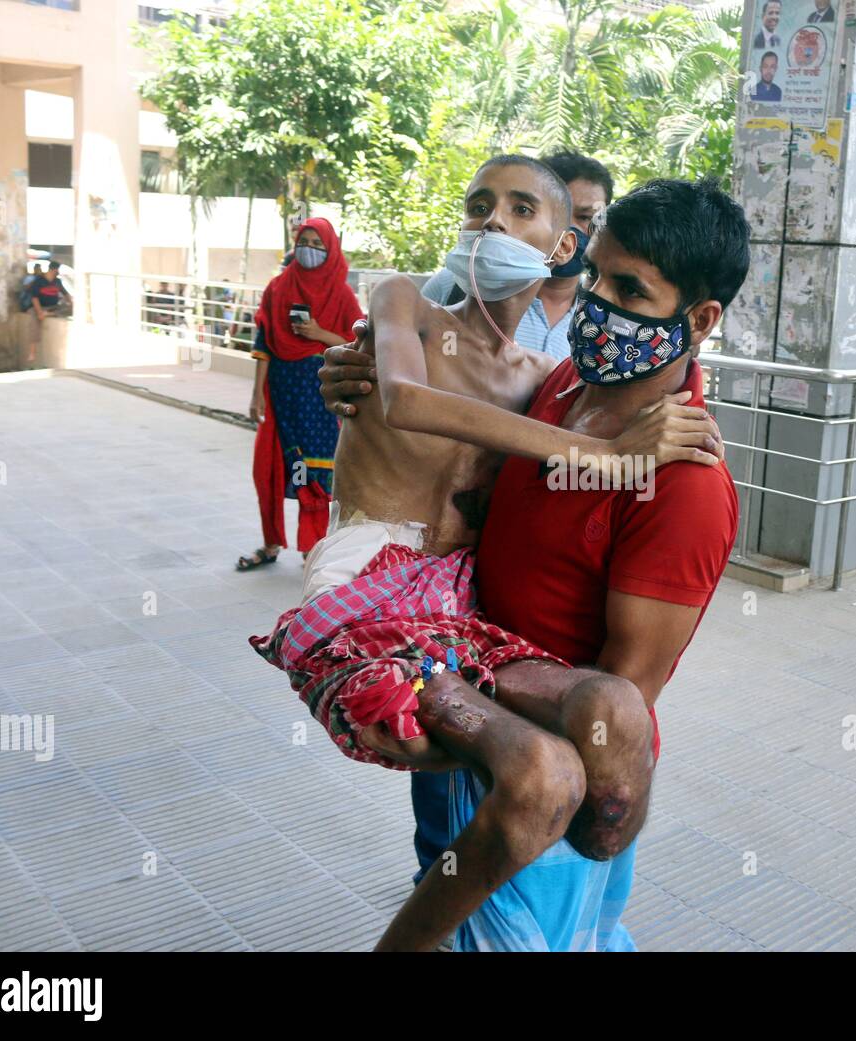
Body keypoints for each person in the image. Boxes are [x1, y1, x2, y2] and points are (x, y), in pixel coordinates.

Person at [252, 157, 728, 951]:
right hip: (416, 623)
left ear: (558, 246)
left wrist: (624, 454)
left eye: (631, 292)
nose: (493, 223)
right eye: (479, 204)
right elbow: (412, 398)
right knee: (479, 828)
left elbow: (630, 686)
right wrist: (349, 366)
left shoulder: (634, 444)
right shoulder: (551, 388)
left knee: (569, 768)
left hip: (495, 681)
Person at [237, 218, 362, 571]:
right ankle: (271, 542)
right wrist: (256, 395)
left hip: (321, 399)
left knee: (315, 473)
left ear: (330, 249)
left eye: (317, 243)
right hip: (280, 394)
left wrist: (319, 332)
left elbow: (357, 343)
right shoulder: (278, 288)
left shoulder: (341, 294)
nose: (309, 248)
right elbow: (263, 345)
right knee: (270, 470)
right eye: (303, 241)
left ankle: (313, 547)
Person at [420, 151, 614, 361]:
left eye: (586, 217)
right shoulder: (451, 285)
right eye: (524, 210)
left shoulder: (605, 318)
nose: (572, 227)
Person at [27, 261, 72, 367]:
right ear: (53, 270)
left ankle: (48, 314)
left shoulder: (57, 282)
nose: (57, 273)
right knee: (34, 323)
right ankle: (32, 352)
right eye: (56, 271)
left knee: (66, 309)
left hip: (53, 308)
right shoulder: (39, 281)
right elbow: (34, 298)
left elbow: (66, 295)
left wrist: (71, 304)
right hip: (40, 307)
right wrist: (39, 312)